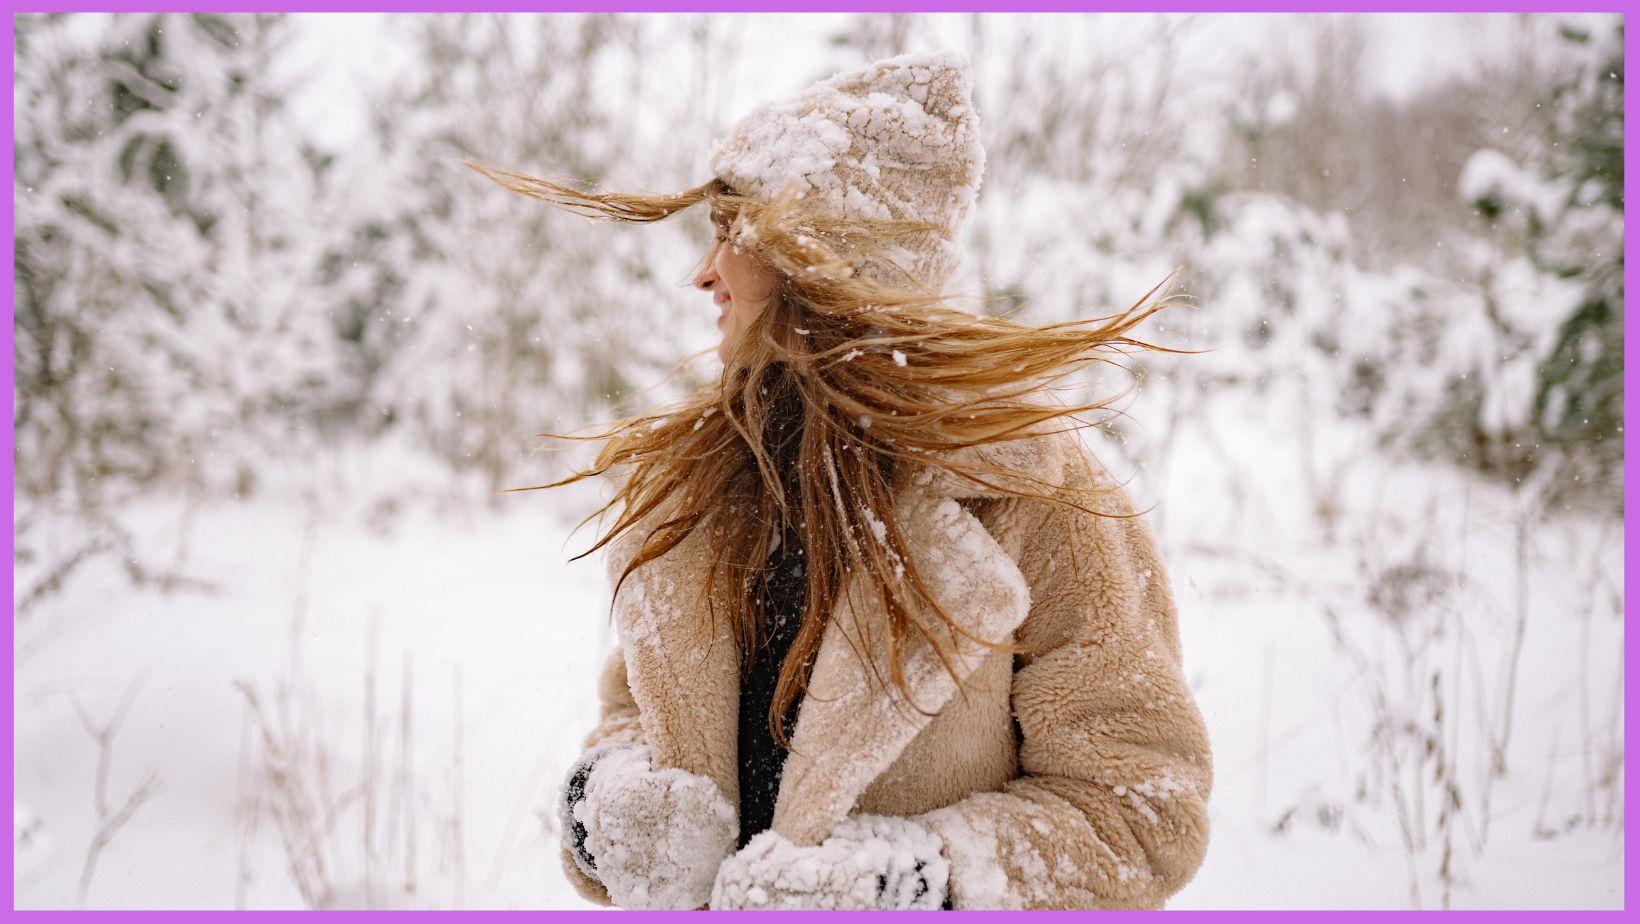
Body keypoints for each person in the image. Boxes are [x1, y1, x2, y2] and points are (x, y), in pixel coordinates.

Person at [466, 49, 1213, 911]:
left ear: (826, 264)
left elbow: (1140, 811)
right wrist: (608, 810)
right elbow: (634, 718)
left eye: (733, 235)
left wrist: (911, 881)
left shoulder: (1036, 501)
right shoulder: (702, 493)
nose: (704, 271)